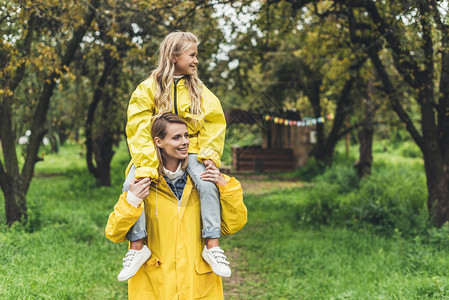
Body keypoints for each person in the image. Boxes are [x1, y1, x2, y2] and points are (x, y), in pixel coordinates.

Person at [116, 31, 229, 282]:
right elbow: (138, 128)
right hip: (155, 151)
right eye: (192, 55)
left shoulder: (199, 89)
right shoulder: (148, 88)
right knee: (131, 185)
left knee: (207, 182)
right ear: (174, 56)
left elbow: (213, 122)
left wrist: (208, 155)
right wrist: (146, 165)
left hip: (193, 149)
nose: (196, 60)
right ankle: (137, 246)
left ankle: (212, 245)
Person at [105, 113, 247, 299]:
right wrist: (131, 200)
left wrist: (224, 187)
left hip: (199, 287)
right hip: (154, 288)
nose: (185, 142)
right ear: (159, 142)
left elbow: (233, 224)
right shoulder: (142, 185)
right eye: (176, 137)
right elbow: (114, 233)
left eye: (186, 136)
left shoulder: (204, 183)